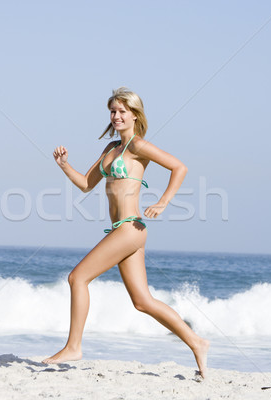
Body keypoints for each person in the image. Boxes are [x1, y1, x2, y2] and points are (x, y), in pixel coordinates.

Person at [42, 87, 209, 378]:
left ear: (134, 114)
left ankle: (73, 347)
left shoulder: (137, 146)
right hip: (123, 229)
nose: (116, 116)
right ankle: (197, 342)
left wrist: (163, 202)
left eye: (122, 111)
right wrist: (65, 165)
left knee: (77, 277)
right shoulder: (110, 150)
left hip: (131, 227)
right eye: (113, 111)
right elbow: (85, 184)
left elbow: (179, 167)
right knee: (143, 301)